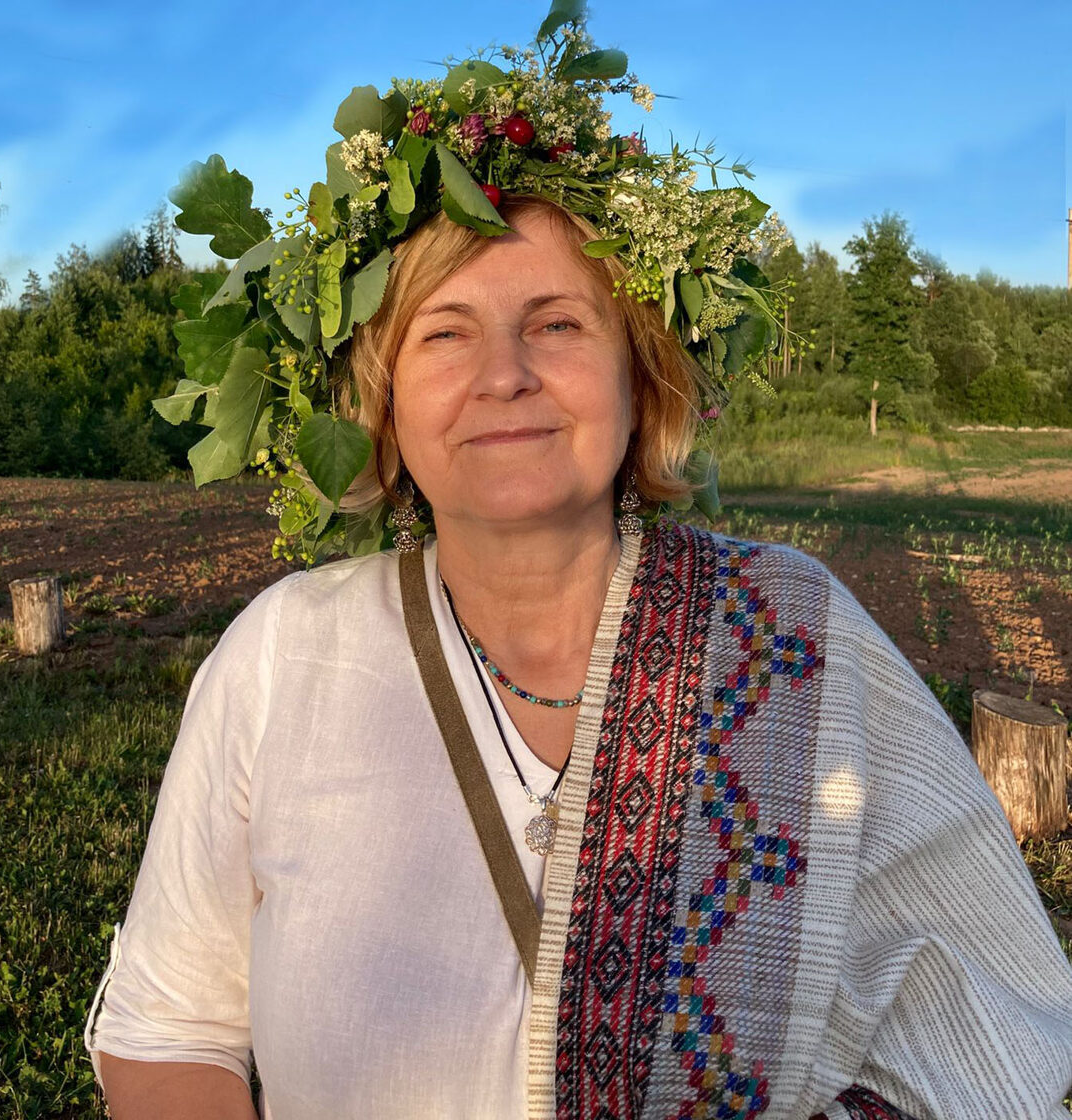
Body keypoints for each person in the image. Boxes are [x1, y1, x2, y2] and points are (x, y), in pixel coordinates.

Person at [86, 9, 1072, 1119]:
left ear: (641, 378)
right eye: (444, 331)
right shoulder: (283, 655)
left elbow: (993, 1019)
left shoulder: (795, 637)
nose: (504, 373)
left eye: (556, 323)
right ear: (382, 400)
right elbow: (169, 1031)